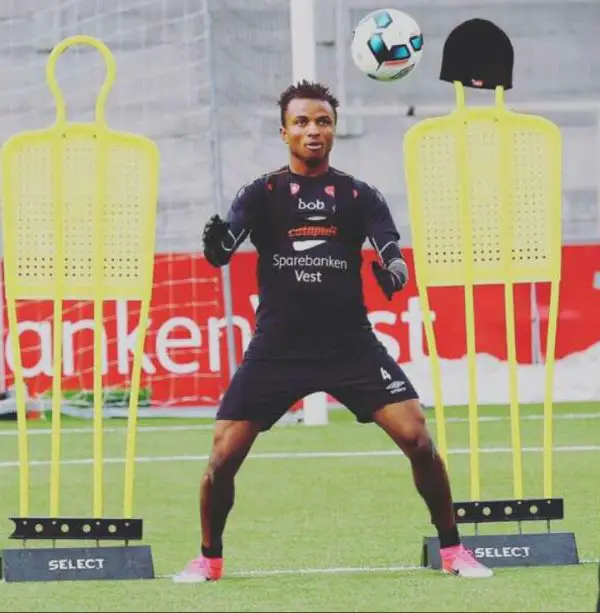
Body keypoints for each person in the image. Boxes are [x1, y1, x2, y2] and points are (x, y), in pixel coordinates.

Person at [173, 80, 492, 582]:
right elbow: (226, 245)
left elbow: (392, 253)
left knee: (418, 440)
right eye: (301, 122)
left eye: (322, 121)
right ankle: (208, 559)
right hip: (278, 350)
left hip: (350, 347)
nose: (313, 130)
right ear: (284, 132)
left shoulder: (359, 195)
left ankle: (453, 551)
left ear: (334, 129)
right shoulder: (261, 193)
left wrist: (393, 273)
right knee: (221, 458)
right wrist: (216, 248)